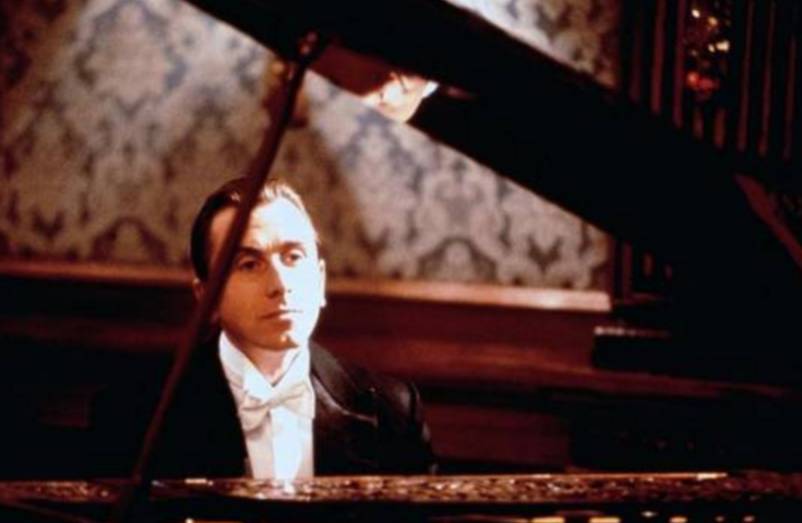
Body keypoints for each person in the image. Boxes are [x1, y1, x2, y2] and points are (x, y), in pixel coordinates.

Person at [91, 177, 435, 479]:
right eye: (249, 264)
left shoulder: (394, 410)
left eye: (293, 257)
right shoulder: (134, 413)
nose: (280, 285)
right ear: (207, 297)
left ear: (319, 280)